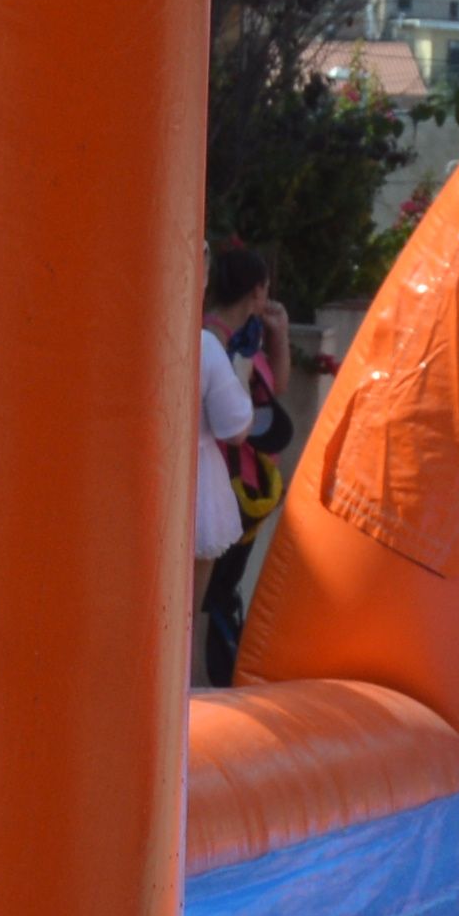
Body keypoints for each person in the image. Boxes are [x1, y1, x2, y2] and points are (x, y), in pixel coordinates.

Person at [193, 242, 284, 684]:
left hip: (197, 479)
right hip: (213, 482)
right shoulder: (212, 346)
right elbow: (236, 425)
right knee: (195, 606)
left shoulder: (200, 336)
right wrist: (243, 382)